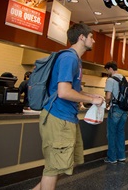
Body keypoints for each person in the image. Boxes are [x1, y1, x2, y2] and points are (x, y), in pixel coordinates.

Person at [33, 23, 104, 190]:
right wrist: (93, 101)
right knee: (54, 167)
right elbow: (64, 92)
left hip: (66, 118)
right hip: (58, 117)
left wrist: (90, 96)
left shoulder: (76, 60)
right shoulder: (69, 58)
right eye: (91, 37)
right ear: (82, 37)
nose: (93, 41)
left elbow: (74, 89)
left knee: (62, 164)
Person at [103, 61, 128, 164]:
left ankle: (112, 158)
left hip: (115, 109)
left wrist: (107, 104)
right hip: (124, 109)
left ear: (110, 68)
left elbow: (108, 96)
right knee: (120, 133)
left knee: (112, 133)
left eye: (107, 70)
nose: (107, 72)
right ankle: (121, 156)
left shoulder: (110, 80)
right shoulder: (123, 78)